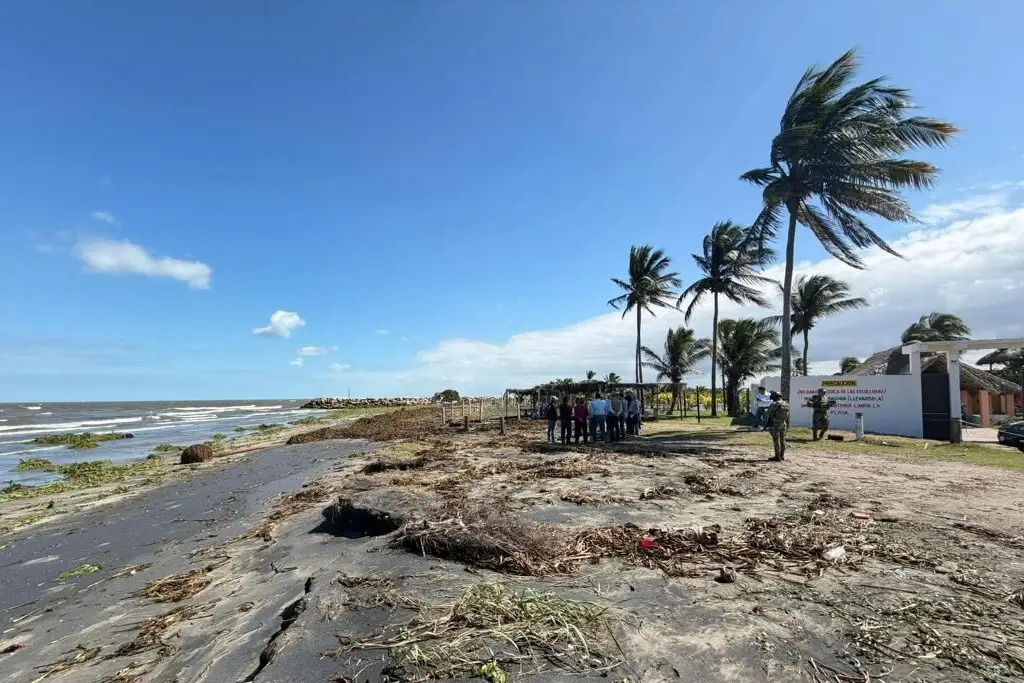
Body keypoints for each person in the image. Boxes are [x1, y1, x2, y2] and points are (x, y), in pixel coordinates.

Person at [764, 391, 790, 461]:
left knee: (776, 440)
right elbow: (787, 415)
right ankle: (782, 455)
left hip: (775, 424)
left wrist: (765, 425)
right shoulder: (786, 403)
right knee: (782, 440)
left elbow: (767, 413)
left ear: (775, 397)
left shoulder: (775, 404)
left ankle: (777, 457)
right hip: (783, 423)